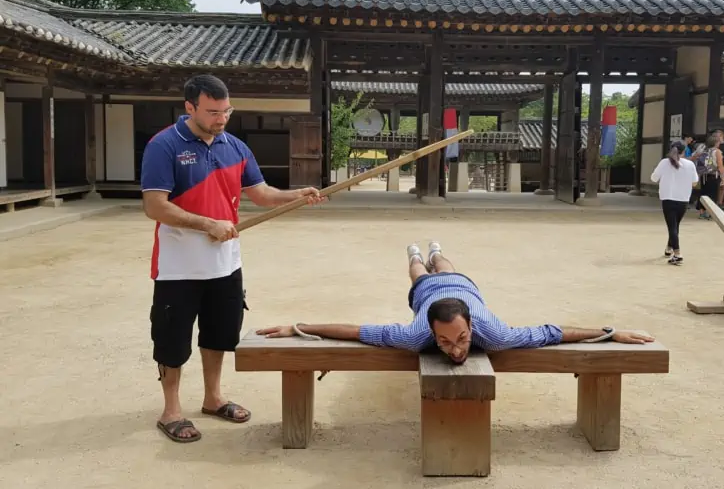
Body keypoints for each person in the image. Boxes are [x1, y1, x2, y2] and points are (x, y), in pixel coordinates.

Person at [140, 74, 325, 443]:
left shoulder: (235, 147)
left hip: (225, 263)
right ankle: (171, 410)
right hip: (179, 265)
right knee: (173, 337)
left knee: (218, 333)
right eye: (212, 112)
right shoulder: (164, 146)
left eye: (226, 111)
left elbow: (262, 194)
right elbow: (154, 206)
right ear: (189, 107)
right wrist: (207, 223)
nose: (221, 118)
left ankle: (213, 398)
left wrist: (297, 195)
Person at [256, 241, 654, 363]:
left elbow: (549, 333)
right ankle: (414, 255)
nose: (456, 348)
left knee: (444, 265)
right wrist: (299, 327)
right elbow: (357, 331)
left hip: (463, 288)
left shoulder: (492, 334)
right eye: (445, 342)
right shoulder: (416, 335)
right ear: (431, 332)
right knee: (419, 275)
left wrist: (610, 333)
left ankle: (433, 250)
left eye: (461, 339)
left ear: (470, 328)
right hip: (427, 295)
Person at [650, 141, 699, 265]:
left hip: (668, 198)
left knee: (672, 226)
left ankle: (677, 254)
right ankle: (669, 248)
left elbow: (654, 178)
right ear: (684, 150)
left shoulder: (664, 163)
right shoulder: (690, 164)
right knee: (675, 225)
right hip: (683, 198)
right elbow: (695, 182)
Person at [695, 134, 724, 220]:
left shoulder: (704, 151)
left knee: (703, 194)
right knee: (713, 194)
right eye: (718, 141)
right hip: (713, 176)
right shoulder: (717, 151)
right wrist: (722, 177)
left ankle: (701, 212)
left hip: (704, 176)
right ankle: (709, 213)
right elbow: (720, 165)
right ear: (715, 142)